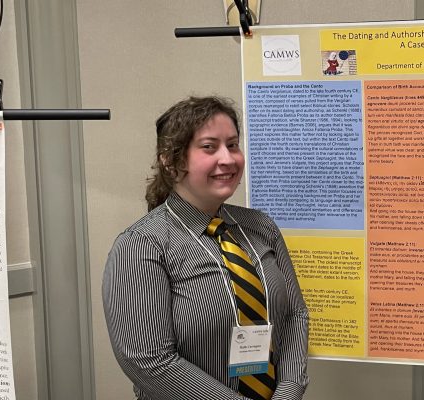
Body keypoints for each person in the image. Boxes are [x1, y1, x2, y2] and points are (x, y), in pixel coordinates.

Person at [103, 96, 309, 400]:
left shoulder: (261, 227)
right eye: (209, 147)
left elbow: (294, 314)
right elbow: (149, 361)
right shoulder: (142, 245)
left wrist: (288, 392)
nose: (227, 159)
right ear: (170, 159)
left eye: (233, 144)